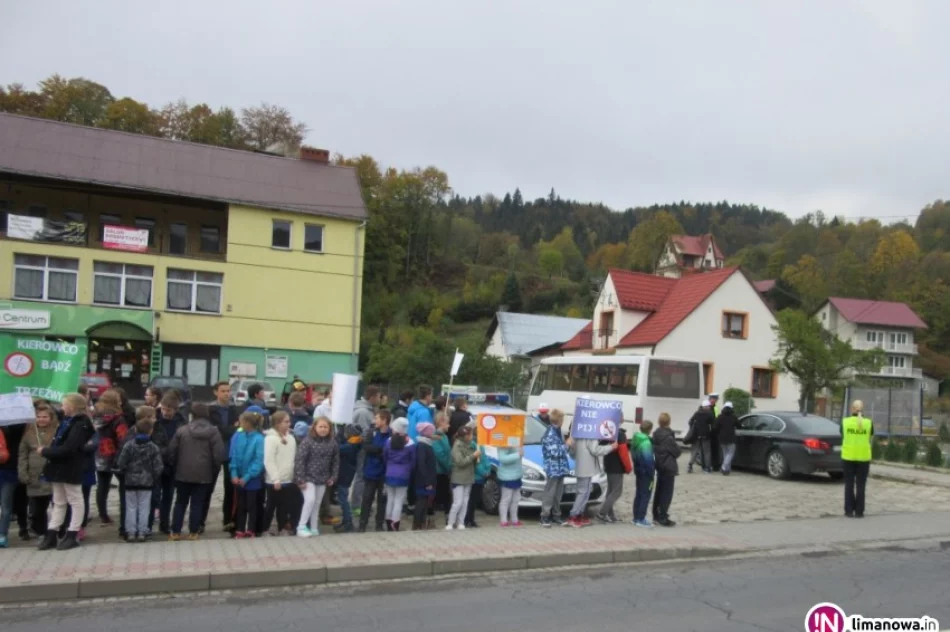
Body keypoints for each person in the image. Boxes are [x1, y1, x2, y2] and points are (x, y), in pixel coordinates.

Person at [37, 393, 95, 551]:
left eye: (64, 405)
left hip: (71, 466)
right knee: (58, 501)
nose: (62, 408)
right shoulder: (67, 421)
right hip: (59, 466)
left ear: (73, 406)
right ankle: (52, 533)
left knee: (75, 500)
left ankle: (73, 533)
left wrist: (46, 451)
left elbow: (70, 448)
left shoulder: (81, 423)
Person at [168, 403, 225, 541]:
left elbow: (171, 452)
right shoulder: (214, 432)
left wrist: (175, 467)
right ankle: (194, 532)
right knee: (197, 503)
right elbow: (218, 455)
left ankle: (175, 531)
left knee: (180, 502)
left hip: (182, 474)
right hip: (204, 475)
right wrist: (213, 470)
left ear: (192, 415)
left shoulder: (182, 431)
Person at [116, 409, 164, 542]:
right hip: (147, 482)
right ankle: (143, 531)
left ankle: (130, 531)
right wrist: (153, 477)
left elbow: (121, 463)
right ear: (151, 431)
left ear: (135, 431)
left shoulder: (128, 446)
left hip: (130, 482)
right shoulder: (153, 447)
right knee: (144, 507)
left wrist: (124, 472)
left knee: (130, 507)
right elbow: (158, 466)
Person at [18, 403, 59, 538]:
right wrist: (23, 472)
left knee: (57, 505)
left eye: (45, 417)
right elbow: (22, 455)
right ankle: (41, 531)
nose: (41, 419)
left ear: (51, 417)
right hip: (34, 476)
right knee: (37, 509)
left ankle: (56, 530)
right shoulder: (29, 433)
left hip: (53, 475)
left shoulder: (57, 431)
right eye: (38, 416)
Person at [294, 417, 339, 537]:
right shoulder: (307, 441)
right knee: (310, 500)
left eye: (326, 427)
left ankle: (314, 527)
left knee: (317, 503)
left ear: (329, 429)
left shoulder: (332, 442)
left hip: (323, 477)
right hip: (307, 477)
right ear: (314, 427)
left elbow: (335, 461)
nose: (323, 429)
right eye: (320, 426)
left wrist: (333, 477)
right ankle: (301, 526)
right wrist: (300, 478)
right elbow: (300, 460)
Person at [207, 381, 241, 532]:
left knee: (230, 488)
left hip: (230, 453)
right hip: (213, 453)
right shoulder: (210, 410)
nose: (227, 394)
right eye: (223, 391)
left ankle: (229, 520)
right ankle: (200, 521)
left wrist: (231, 429)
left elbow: (238, 428)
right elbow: (219, 431)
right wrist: (231, 428)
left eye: (228, 391)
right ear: (216, 392)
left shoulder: (235, 410)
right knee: (208, 487)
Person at [92, 389, 128, 528]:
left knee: (102, 485)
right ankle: (124, 512)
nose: (120, 401)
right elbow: (123, 438)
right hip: (115, 454)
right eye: (118, 399)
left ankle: (103, 515)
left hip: (100, 454)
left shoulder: (96, 415)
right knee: (123, 485)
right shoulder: (118, 418)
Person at [227, 410, 265, 538]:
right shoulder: (239, 436)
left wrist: (247, 476)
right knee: (241, 505)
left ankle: (251, 528)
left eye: (242, 421)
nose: (239, 424)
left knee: (252, 505)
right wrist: (234, 474)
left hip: (252, 479)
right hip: (239, 477)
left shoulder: (259, 439)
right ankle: (240, 528)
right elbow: (234, 456)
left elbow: (258, 461)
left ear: (248, 423)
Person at [566, 431, 616, 528]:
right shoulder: (590, 434)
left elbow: (572, 453)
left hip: (581, 466)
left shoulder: (577, 434)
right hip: (586, 467)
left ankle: (579, 514)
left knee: (585, 492)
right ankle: (574, 516)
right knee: (583, 492)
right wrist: (611, 447)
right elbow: (595, 450)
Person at [263, 411, 298, 536]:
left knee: (284, 506)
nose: (289, 424)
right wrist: (275, 478)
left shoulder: (291, 438)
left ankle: (282, 527)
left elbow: (293, 459)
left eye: (289, 421)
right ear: (277, 423)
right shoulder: (270, 439)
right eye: (286, 422)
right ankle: (265, 529)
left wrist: (294, 476)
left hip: (288, 479)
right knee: (271, 506)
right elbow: (269, 460)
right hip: (274, 480)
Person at [156, 394, 186, 533]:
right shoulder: (154, 419)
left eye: (169, 410)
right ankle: (149, 523)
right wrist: (164, 451)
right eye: (163, 409)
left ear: (175, 410)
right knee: (154, 496)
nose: (165, 413)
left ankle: (164, 524)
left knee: (168, 496)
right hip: (156, 463)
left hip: (173, 464)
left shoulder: (181, 422)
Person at [358, 409, 391, 533]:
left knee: (382, 499)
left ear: (384, 420)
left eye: (377, 418)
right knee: (367, 498)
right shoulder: (371, 433)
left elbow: (391, 450)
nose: (374, 420)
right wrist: (380, 450)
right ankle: (362, 524)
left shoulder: (391, 434)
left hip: (384, 472)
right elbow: (366, 447)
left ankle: (379, 524)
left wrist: (380, 450)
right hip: (371, 471)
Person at [350, 386, 380, 517]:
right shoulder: (363, 412)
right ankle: (356, 505)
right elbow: (365, 432)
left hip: (363, 447)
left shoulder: (367, 410)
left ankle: (361, 503)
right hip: (362, 448)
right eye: (379, 396)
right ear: (372, 397)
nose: (380, 399)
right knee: (361, 476)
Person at [841, 400, 873, 519]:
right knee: (861, 485)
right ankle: (859, 511)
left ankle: (849, 510)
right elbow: (870, 436)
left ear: (852, 409)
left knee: (849, 484)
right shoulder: (868, 423)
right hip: (863, 458)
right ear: (862, 409)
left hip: (848, 457)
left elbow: (842, 435)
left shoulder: (845, 422)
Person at [382, 417, 415, 532]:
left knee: (390, 498)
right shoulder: (410, 443)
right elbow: (413, 461)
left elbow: (385, 457)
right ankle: (395, 524)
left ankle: (388, 522)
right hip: (403, 475)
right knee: (399, 500)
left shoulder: (389, 441)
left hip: (389, 473)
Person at [539, 409, 570, 528]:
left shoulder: (558, 431)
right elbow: (554, 451)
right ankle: (545, 516)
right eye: (562, 419)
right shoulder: (550, 433)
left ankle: (557, 515)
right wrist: (566, 445)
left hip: (560, 468)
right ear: (559, 420)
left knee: (558, 493)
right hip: (553, 468)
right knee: (550, 492)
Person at [1, 421, 29, 543]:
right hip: (11, 466)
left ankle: (6, 533)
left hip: (12, 467)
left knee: (16, 501)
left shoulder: (21, 424)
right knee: (11, 503)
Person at [652, 412, 681, 527]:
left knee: (659, 491)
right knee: (667, 493)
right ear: (668, 422)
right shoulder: (668, 437)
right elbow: (677, 451)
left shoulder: (656, 434)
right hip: (668, 466)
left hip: (659, 465)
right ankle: (663, 516)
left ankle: (656, 514)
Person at [447, 425, 478, 530]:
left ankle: (461, 522)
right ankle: (450, 523)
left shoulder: (470, 445)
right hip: (458, 478)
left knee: (465, 502)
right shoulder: (457, 446)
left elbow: (471, 461)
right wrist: (473, 456)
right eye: (470, 434)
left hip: (468, 477)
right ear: (465, 436)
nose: (472, 436)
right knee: (458, 502)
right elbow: (460, 462)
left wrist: (476, 457)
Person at [597, 428, 628, 523]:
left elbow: (601, 444)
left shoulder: (606, 432)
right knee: (616, 492)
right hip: (617, 467)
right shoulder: (620, 434)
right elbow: (624, 453)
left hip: (608, 464)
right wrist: (628, 467)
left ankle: (610, 515)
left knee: (610, 491)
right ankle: (602, 513)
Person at [335, 424, 362, 533]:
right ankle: (346, 521)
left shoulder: (352, 445)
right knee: (342, 498)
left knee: (343, 499)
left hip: (344, 475)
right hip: (345, 474)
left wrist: (338, 436)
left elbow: (338, 448)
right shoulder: (353, 442)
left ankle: (348, 522)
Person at [412, 422, 438, 530]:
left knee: (425, 502)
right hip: (423, 480)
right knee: (421, 502)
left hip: (427, 479)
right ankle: (418, 523)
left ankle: (421, 522)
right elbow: (421, 464)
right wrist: (427, 481)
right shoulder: (422, 446)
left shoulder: (427, 444)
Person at [631, 421, 656, 528]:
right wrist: (652, 473)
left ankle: (636, 516)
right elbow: (648, 460)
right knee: (645, 495)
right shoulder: (646, 443)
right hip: (646, 472)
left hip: (638, 470)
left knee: (639, 494)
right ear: (650, 430)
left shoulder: (635, 439)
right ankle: (641, 518)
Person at [465, 432, 491, 528]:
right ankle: (467, 520)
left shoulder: (481, 446)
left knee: (474, 500)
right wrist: (483, 472)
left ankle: (471, 520)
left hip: (480, 478)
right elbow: (476, 463)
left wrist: (488, 469)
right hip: (475, 478)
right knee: (471, 500)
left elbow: (485, 459)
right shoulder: (472, 445)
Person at [432, 413, 453, 523]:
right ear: (441, 422)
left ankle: (448, 516)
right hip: (439, 470)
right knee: (440, 495)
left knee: (446, 495)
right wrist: (448, 466)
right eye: (447, 423)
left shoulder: (444, 436)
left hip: (444, 470)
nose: (449, 425)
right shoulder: (437, 436)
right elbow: (440, 454)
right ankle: (431, 518)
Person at [497, 444, 523, 528]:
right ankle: (503, 520)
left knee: (516, 499)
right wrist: (517, 455)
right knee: (506, 499)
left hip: (516, 474)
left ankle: (514, 519)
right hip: (507, 476)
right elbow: (503, 459)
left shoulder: (517, 442)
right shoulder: (503, 443)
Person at [686, 400, 714, 474]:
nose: (709, 407)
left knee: (694, 451)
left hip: (696, 435)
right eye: (708, 406)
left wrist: (693, 428)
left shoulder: (697, 413)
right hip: (706, 435)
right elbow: (713, 424)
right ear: (707, 407)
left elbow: (690, 421)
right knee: (707, 452)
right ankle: (707, 468)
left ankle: (690, 466)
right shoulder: (709, 414)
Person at [717, 402, 738, 475]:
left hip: (722, 438)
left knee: (725, 453)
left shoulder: (720, 416)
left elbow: (716, 427)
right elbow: (739, 425)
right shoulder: (733, 417)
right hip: (731, 438)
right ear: (731, 408)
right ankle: (724, 466)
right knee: (730, 453)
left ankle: (727, 469)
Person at [707, 392, 721, 471]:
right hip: (708, 432)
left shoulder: (716, 408)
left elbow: (717, 418)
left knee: (715, 449)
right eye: (713, 399)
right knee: (708, 450)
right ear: (710, 399)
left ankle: (715, 466)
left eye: (715, 399)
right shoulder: (706, 407)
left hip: (715, 432)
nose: (714, 400)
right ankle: (708, 465)